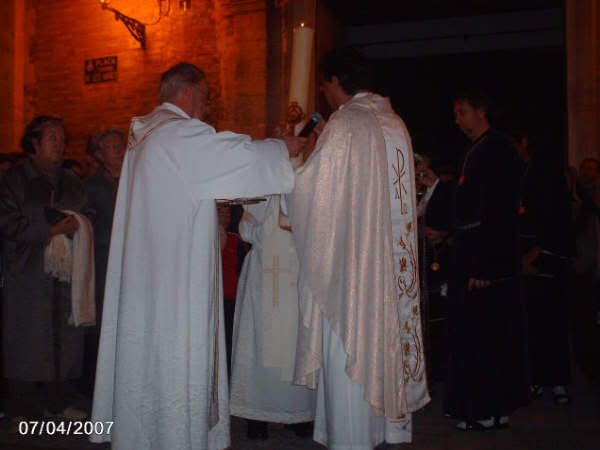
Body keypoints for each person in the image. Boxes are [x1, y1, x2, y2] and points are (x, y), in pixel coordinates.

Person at [90, 62, 304, 450]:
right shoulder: (178, 133)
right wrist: (281, 148)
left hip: (152, 277)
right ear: (187, 92)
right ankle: (175, 437)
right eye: (205, 98)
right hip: (175, 281)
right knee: (174, 356)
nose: (206, 109)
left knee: (150, 358)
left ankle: (147, 433)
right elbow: (235, 156)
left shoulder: (148, 136)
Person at [289, 48, 429, 450]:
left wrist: (291, 167)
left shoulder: (346, 123)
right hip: (388, 268)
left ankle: (352, 439)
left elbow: (314, 193)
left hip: (350, 271)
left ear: (336, 81)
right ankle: (383, 428)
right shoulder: (393, 122)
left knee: (349, 350)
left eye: (324, 84)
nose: (323, 92)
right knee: (384, 340)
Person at [444, 90, 529, 430]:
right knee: (480, 335)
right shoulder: (477, 149)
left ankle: (486, 408)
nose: (457, 120)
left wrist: (485, 266)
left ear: (481, 111)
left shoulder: (498, 149)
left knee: (486, 337)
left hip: (487, 259)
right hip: (476, 253)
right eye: (455, 113)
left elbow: (499, 211)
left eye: (462, 112)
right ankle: (486, 406)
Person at [0, 116, 88, 420]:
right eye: (52, 138)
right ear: (34, 143)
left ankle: (60, 401)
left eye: (62, 139)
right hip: (27, 271)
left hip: (66, 273)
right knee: (25, 338)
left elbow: (89, 213)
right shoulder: (12, 180)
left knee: (65, 336)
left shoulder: (72, 181)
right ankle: (22, 407)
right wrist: (49, 229)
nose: (59, 144)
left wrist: (79, 224)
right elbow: (6, 220)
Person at [230, 195, 315, 439]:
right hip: (264, 272)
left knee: (295, 341)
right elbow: (246, 228)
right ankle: (258, 415)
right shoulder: (261, 187)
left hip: (297, 269)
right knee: (260, 342)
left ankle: (298, 412)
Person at [513, 130, 574, 404]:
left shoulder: (547, 173)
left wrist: (536, 254)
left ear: (525, 142)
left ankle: (558, 381)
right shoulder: (518, 174)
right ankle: (535, 377)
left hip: (548, 258)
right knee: (531, 323)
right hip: (524, 258)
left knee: (554, 323)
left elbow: (555, 218)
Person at [81, 128, 127, 393]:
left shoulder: (137, 178)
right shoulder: (90, 187)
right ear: (98, 155)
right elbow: (86, 226)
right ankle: (97, 384)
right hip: (104, 262)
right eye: (113, 146)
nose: (120, 149)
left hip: (135, 264)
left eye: (122, 144)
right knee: (103, 321)